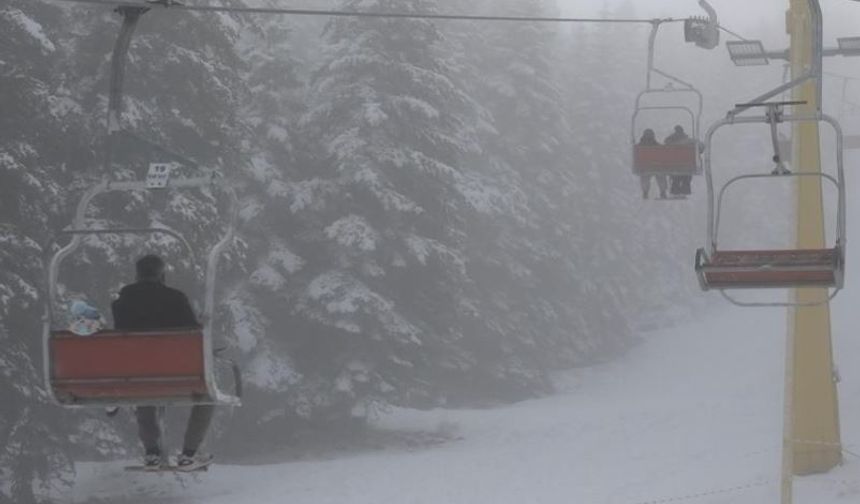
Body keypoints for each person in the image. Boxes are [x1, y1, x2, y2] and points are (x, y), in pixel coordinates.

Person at [111, 254, 213, 470]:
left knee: (144, 390)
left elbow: (121, 333)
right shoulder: (176, 298)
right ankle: (189, 454)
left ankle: (151, 453)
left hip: (137, 373)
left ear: (137, 275)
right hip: (177, 373)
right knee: (207, 397)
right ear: (162, 275)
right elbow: (191, 332)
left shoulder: (122, 302)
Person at [664, 125, 694, 197]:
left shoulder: (671, 139)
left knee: (676, 178)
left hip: (675, 163)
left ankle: (675, 191)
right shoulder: (687, 139)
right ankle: (685, 191)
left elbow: (666, 142)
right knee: (686, 178)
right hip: (686, 163)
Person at [638, 129, 669, 199]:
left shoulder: (640, 145)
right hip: (655, 165)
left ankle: (646, 192)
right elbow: (662, 152)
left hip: (646, 165)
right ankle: (662, 192)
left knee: (645, 178)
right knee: (660, 177)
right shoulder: (655, 145)